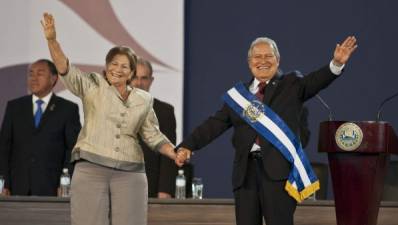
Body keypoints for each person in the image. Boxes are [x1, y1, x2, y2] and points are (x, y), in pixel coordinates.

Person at [176, 36, 357, 225]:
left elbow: (316, 81)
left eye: (268, 56)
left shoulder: (292, 84)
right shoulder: (239, 96)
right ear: (249, 62)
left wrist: (335, 64)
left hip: (278, 175)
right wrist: (188, 145)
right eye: (257, 57)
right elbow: (214, 124)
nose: (262, 61)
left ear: (277, 60)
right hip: (245, 175)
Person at [41, 13, 183, 225]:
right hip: (91, 169)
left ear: (131, 73)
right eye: (114, 64)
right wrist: (52, 41)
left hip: (131, 174)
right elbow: (64, 68)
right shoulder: (92, 85)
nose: (118, 69)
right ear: (107, 68)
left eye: (124, 66)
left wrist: (173, 152)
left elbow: (152, 134)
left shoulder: (143, 99)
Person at [0, 59, 81, 196]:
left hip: (52, 187)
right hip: (16, 187)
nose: (34, 78)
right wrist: (4, 183)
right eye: (31, 74)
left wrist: (65, 183)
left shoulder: (67, 109)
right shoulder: (14, 107)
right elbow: (4, 147)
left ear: (53, 79)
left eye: (40, 74)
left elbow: (72, 149)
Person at [130, 58, 178, 198]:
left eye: (144, 78)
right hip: (119, 185)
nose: (139, 83)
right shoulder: (116, 108)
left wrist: (165, 191)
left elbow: (168, 154)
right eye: (135, 77)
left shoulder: (164, 111)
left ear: (151, 80)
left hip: (151, 187)